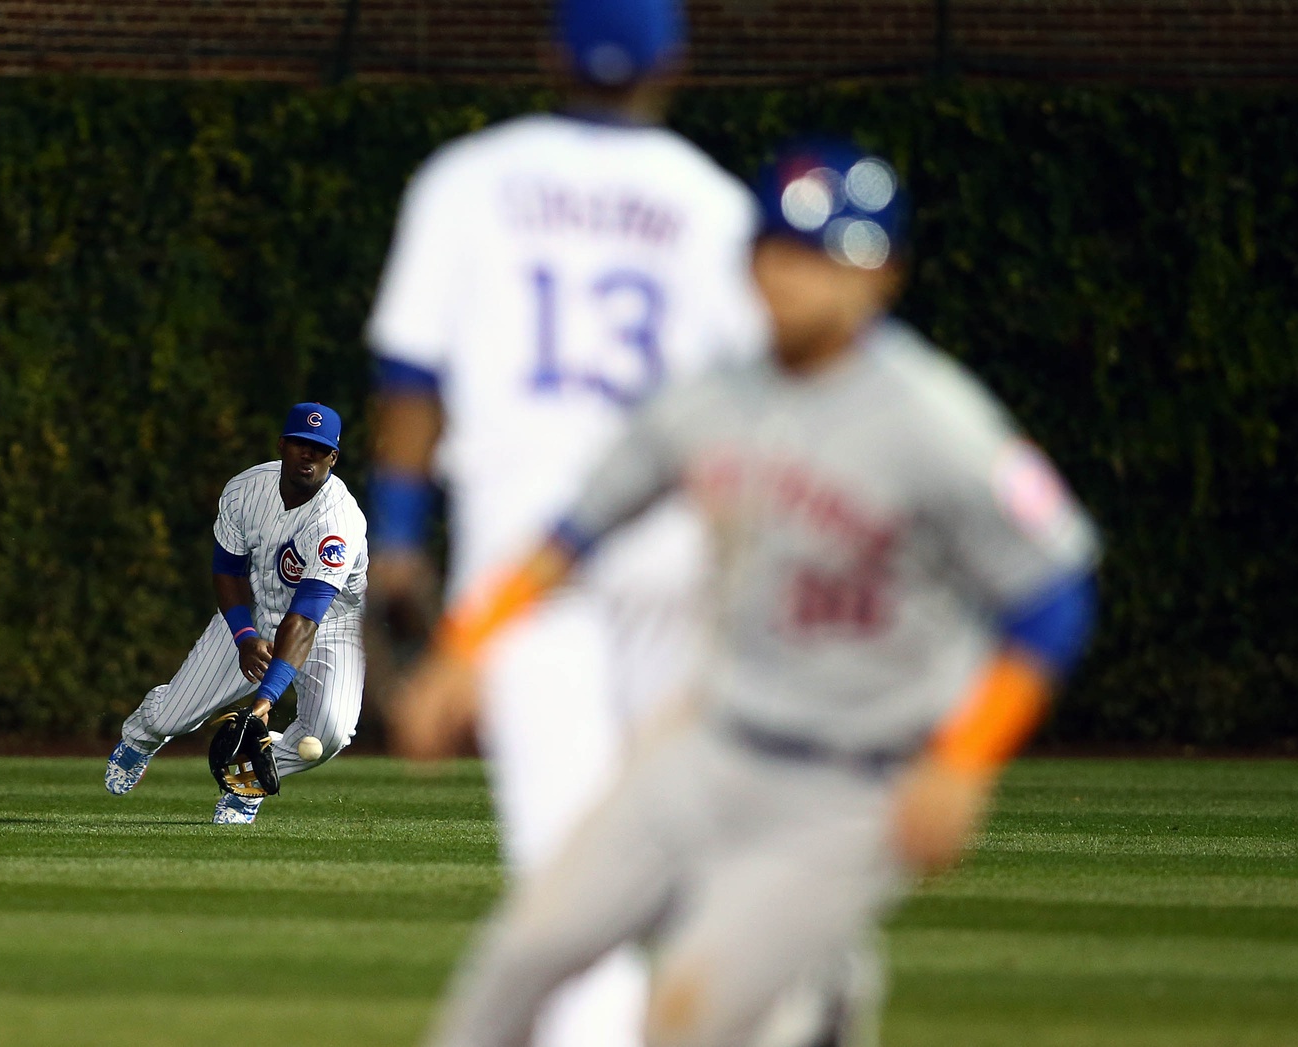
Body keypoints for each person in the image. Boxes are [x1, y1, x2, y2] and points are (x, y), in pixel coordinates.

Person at [393, 139, 1101, 1047]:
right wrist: (467, 647)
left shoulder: (938, 424)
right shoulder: (711, 399)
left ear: (882, 277)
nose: (792, 279)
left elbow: (1055, 593)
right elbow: (575, 532)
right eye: (778, 250)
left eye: (825, 258)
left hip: (847, 784)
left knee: (683, 1021)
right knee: (521, 959)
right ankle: (818, 1001)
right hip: (705, 745)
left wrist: (964, 758)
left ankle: (821, 1007)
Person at [366, 1, 768, 1041]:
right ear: (672, 61)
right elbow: (749, 413)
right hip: (678, 557)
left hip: (518, 565)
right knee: (677, 852)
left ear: (548, 51)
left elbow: (412, 376)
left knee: (568, 871)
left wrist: (401, 537)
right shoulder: (715, 207)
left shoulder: (466, 182)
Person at [105, 402, 368, 825]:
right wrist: (245, 635)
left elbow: (304, 620)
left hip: (329, 626)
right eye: (301, 444)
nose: (308, 455)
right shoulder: (246, 489)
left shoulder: (337, 522)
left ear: (333, 458)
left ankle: (248, 781)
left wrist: (265, 700)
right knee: (174, 714)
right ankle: (140, 737)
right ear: (283, 444)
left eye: (319, 450)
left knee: (330, 733)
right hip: (260, 612)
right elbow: (227, 569)